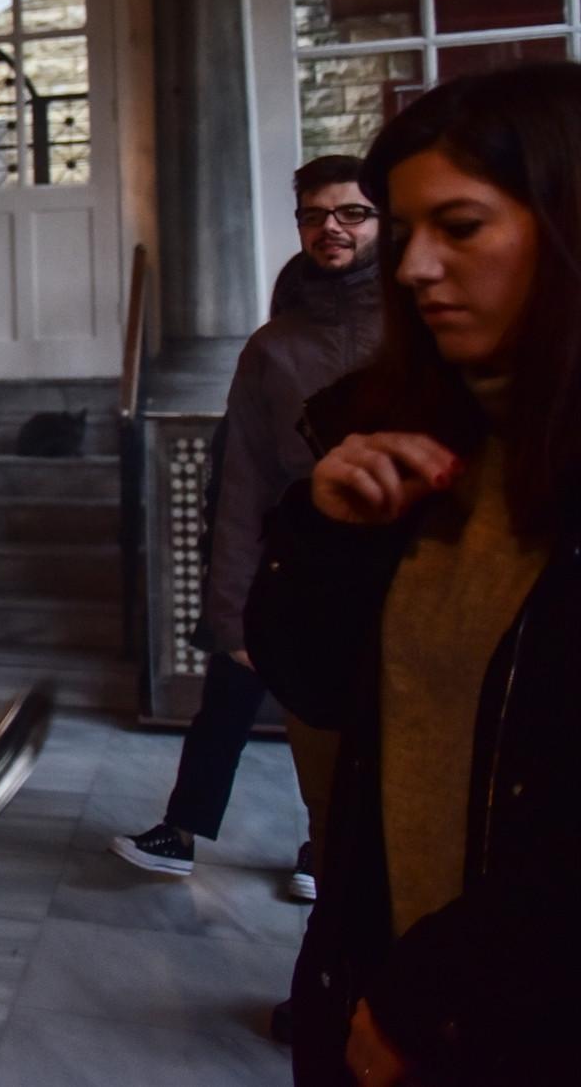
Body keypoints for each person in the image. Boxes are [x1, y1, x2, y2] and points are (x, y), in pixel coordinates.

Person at [246, 62, 581, 1086]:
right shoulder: (394, 428)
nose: (417, 266)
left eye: (463, 227)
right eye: (409, 229)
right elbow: (314, 681)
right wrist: (326, 532)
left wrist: (443, 990)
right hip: (378, 977)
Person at [113, 157, 380, 896]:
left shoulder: (422, 324)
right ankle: (189, 828)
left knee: (369, 715)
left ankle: (328, 847)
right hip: (299, 552)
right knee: (238, 681)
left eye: (352, 212)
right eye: (315, 215)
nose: (332, 227)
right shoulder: (273, 346)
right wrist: (228, 608)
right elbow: (242, 486)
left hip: (398, 560)